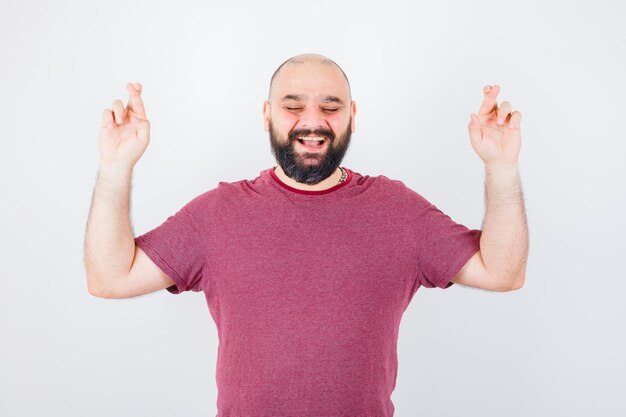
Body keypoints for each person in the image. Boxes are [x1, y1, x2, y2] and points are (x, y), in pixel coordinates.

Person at [84, 53, 528, 416]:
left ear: (352, 116)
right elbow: (110, 278)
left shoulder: (398, 210)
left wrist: (501, 167)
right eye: (293, 106)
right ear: (267, 115)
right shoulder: (218, 214)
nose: (312, 121)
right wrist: (116, 167)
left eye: (331, 107)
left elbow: (502, 272)